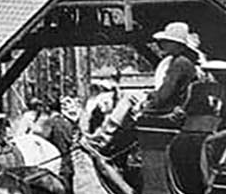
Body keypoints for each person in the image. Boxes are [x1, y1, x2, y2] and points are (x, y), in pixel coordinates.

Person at [86, 21, 202, 156]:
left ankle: (103, 140)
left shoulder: (179, 64)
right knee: (131, 98)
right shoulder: (183, 62)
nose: (162, 44)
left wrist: (148, 101)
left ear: (176, 44)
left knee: (129, 98)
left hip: (168, 108)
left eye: (167, 41)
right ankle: (108, 140)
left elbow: (165, 94)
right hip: (173, 105)